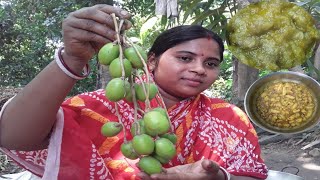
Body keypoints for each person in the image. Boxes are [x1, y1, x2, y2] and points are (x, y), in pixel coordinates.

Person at [0, 4, 268, 180]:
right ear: (151, 61)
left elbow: (252, 175)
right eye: (185, 58)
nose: (199, 69)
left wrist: (222, 177)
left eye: (210, 64)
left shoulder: (229, 117)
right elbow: (12, 135)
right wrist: (71, 60)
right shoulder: (95, 106)